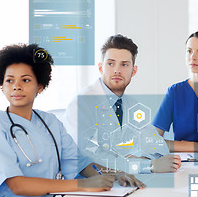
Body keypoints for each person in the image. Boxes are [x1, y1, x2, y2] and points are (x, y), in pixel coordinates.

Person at [0, 44, 145, 197]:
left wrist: (116, 173)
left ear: (40, 86)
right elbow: (17, 185)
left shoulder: (50, 122)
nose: (16, 86)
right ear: (2, 84)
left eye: (26, 80)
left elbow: (80, 163)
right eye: (9, 80)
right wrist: (82, 185)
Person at [64, 34, 181, 174]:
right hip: (91, 186)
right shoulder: (81, 104)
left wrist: (136, 160)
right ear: (101, 68)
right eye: (110, 63)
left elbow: (158, 147)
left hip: (123, 182)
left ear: (134, 70)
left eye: (124, 64)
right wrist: (146, 165)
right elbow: (89, 158)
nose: (117, 70)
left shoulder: (133, 105)